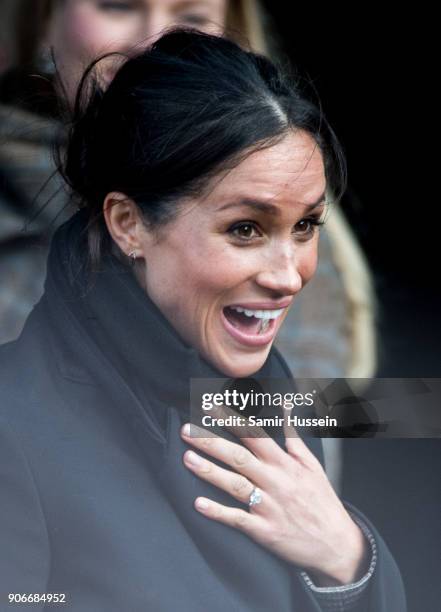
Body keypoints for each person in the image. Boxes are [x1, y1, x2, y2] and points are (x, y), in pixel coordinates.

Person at [0, 30, 405, 611]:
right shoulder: (14, 429)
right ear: (129, 224)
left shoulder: (273, 408)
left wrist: (346, 558)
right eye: (246, 229)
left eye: (305, 226)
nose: (289, 275)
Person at [0, 0, 376, 394]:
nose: (155, 40)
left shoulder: (295, 213)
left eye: (191, 18)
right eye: (118, 7)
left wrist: (289, 442)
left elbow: (343, 414)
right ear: (44, 19)